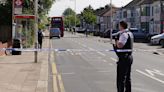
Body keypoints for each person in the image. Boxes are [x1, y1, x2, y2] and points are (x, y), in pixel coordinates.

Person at [113, 21, 134, 92]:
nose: (118, 27)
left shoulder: (124, 34)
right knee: (128, 78)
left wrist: (116, 41)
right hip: (129, 57)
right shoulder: (130, 33)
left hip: (124, 58)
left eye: (119, 26)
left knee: (121, 78)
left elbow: (120, 45)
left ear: (121, 26)